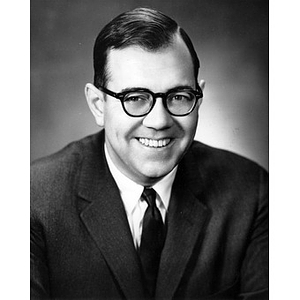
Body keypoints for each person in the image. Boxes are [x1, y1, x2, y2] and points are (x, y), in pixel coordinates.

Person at [30, 7, 268, 300]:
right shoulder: (33, 200)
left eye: (179, 97)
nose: (159, 121)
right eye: (135, 98)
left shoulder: (251, 192)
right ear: (97, 105)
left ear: (199, 97)